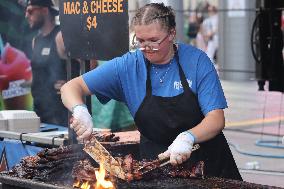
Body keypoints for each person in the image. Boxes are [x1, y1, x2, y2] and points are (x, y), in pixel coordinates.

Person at [61, 3, 242, 180]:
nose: (146, 47)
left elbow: (216, 119)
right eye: (140, 40)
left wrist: (188, 137)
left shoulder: (197, 61)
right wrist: (80, 110)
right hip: (155, 168)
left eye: (154, 41)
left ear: (172, 33)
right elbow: (71, 87)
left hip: (209, 165)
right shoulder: (128, 66)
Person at [25, 0, 68, 127]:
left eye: (30, 11)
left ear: (44, 10)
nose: (26, 15)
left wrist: (71, 84)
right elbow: (40, 74)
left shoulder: (60, 36)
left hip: (62, 118)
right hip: (40, 115)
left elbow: (91, 64)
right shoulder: (36, 40)